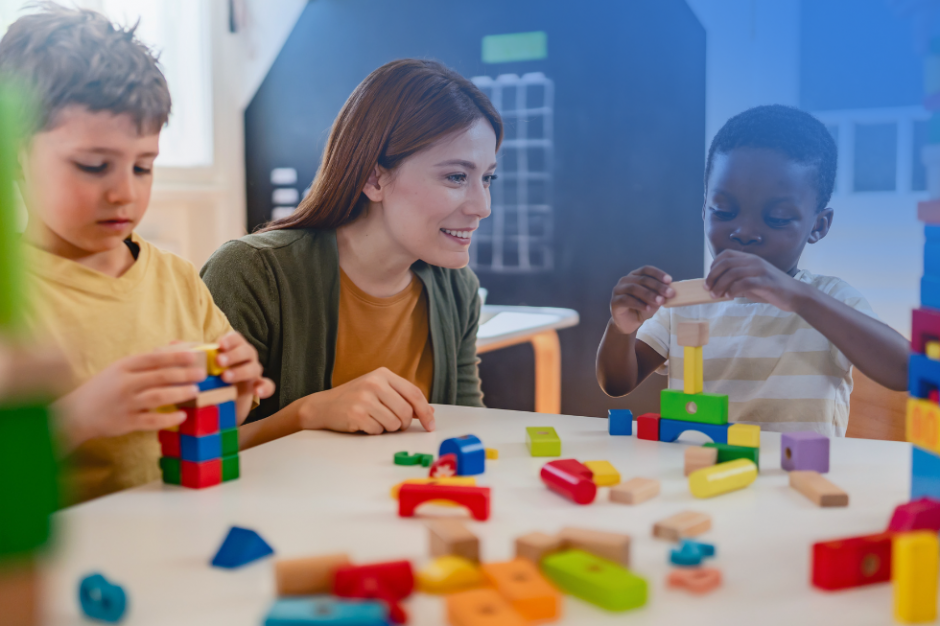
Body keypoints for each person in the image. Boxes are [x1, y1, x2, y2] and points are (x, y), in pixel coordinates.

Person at [1, 3, 274, 503]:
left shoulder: (177, 278)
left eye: (143, 167)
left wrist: (232, 393)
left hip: (172, 540)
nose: (124, 193)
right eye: (92, 165)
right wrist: (74, 419)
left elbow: (213, 430)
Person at [201, 59, 501, 447]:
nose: (483, 206)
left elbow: (463, 431)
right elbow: (195, 450)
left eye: (487, 178)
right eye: (456, 177)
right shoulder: (251, 273)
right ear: (373, 178)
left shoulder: (456, 287)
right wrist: (307, 415)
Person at [596, 105, 909, 437]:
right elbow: (617, 383)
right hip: (702, 477)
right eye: (724, 211)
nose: (744, 231)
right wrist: (621, 327)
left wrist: (798, 297)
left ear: (818, 225)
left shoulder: (829, 300)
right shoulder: (684, 303)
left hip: (794, 481)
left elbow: (905, 371)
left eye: (776, 218)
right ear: (704, 211)